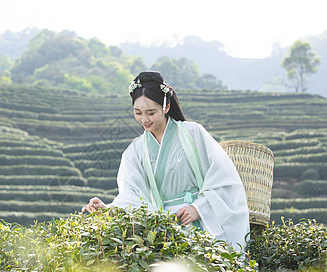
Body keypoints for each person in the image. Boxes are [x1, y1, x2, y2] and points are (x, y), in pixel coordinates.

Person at [82, 71, 249, 250]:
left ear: (166, 107)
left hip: (200, 220)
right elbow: (131, 193)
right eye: (138, 113)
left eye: (151, 112)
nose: (144, 119)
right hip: (164, 228)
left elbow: (224, 179)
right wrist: (110, 208)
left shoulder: (193, 133)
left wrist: (199, 208)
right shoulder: (135, 150)